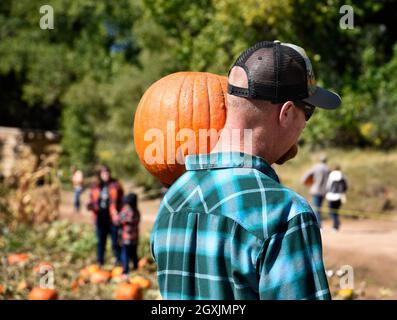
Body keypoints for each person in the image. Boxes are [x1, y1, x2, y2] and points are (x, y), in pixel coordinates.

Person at [151, 40, 341, 300]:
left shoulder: (173, 200)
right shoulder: (283, 214)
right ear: (285, 113)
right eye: (307, 111)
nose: (305, 124)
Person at [87, 165, 123, 266]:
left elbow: (121, 200)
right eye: (103, 173)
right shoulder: (95, 186)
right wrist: (90, 206)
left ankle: (118, 261)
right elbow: (92, 200)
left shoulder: (116, 185)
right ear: (100, 174)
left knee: (115, 241)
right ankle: (100, 261)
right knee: (101, 241)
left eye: (107, 172)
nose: (106, 174)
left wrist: (120, 214)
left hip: (112, 217)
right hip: (100, 217)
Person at [301, 155, 329, 227]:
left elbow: (307, 175)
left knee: (316, 208)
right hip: (324, 191)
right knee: (319, 207)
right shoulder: (327, 169)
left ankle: (318, 225)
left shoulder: (316, 167)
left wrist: (303, 181)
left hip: (316, 190)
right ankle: (319, 224)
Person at [117, 193, 141, 274]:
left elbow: (118, 219)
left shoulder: (126, 211)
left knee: (125, 254)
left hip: (127, 237)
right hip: (135, 237)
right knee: (134, 254)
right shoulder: (137, 211)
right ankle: (136, 268)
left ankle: (125, 271)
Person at [325, 165, 348, 231]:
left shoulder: (331, 175)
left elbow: (328, 186)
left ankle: (335, 226)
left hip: (331, 196)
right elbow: (346, 186)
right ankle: (337, 223)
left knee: (332, 212)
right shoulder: (342, 176)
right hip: (339, 196)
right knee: (336, 211)